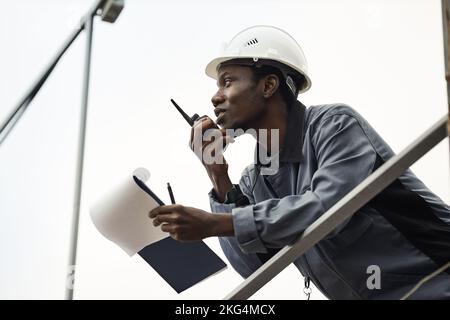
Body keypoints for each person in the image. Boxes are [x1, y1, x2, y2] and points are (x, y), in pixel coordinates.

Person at [149, 25, 450, 299]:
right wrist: (217, 175)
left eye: (227, 82)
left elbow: (326, 209)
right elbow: (252, 265)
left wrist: (218, 223)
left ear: (268, 86)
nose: (215, 98)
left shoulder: (334, 126)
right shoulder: (257, 178)